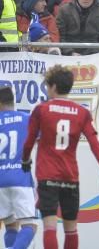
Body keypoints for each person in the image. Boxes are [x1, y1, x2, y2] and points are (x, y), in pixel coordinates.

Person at [22, 66, 99, 249]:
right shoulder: (82, 113)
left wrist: (25, 160)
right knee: (71, 228)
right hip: (70, 176)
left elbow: (29, 141)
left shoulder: (41, 110)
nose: (47, 90)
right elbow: (95, 144)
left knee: (49, 226)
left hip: (47, 175)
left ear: (54, 86)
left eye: (47, 86)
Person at [0, 85, 36, 249]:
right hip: (20, 178)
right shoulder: (26, 119)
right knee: (30, 226)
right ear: (12, 101)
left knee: (10, 225)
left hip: (1, 180)